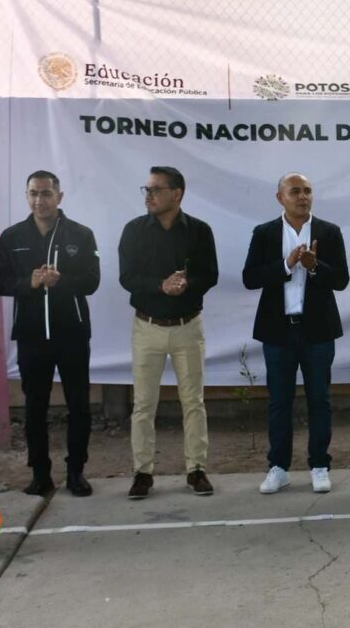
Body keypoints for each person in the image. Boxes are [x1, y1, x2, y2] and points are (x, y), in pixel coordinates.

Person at [0, 170, 100, 497]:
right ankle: (40, 474)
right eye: (34, 193)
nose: (40, 200)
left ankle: (76, 472)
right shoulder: (13, 237)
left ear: (59, 196)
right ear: (27, 196)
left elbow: (92, 281)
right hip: (31, 337)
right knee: (35, 408)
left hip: (72, 335)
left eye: (46, 193)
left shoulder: (80, 234)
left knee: (79, 405)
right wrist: (30, 283)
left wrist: (61, 281)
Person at [243, 173, 349, 494]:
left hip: (318, 332)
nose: (303, 197)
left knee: (320, 400)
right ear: (280, 198)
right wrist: (287, 265)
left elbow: (341, 280)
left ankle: (319, 465)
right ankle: (278, 467)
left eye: (307, 191)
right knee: (279, 402)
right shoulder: (264, 233)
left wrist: (315, 266)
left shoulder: (329, 232)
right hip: (278, 333)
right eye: (295, 191)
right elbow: (250, 278)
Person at [118, 166, 219, 499]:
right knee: (144, 404)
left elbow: (210, 275)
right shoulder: (134, 230)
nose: (148, 195)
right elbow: (127, 277)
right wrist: (160, 286)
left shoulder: (199, 231)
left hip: (188, 326)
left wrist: (186, 284)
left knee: (194, 402)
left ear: (177, 194)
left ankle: (196, 470)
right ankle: (142, 473)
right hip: (147, 327)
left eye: (155, 189)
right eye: (146, 189)